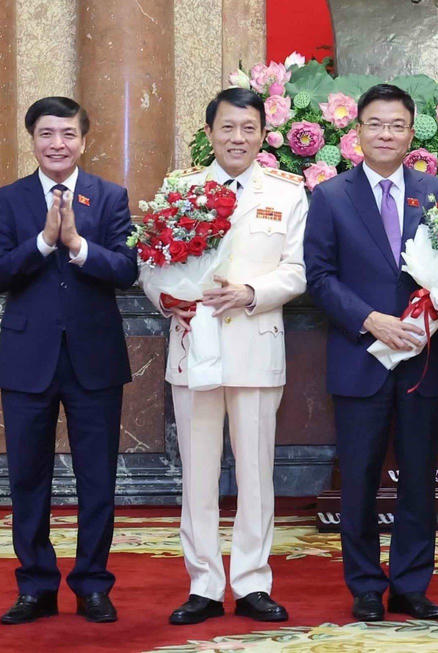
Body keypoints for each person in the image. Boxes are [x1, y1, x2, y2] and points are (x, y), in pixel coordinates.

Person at [304, 84, 438, 622]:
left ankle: (410, 584)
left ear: (411, 134)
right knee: (358, 479)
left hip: (422, 360)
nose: (386, 134)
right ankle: (364, 585)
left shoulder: (436, 192)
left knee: (419, 478)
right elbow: (319, 277)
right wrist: (369, 319)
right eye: (376, 124)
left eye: (397, 125)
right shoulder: (330, 197)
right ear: (357, 131)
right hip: (360, 356)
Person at [151, 87, 308, 626]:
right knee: (196, 473)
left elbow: (297, 270)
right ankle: (203, 585)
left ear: (263, 135)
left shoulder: (287, 193)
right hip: (193, 344)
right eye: (227, 127)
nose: (237, 138)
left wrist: (251, 293)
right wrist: (167, 299)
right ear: (209, 132)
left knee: (256, 474)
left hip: (255, 345)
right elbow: (151, 264)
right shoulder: (181, 190)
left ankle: (252, 582)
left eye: (248, 128)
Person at [0, 96, 138, 625]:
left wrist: (76, 244)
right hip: (28, 359)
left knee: (98, 479)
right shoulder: (7, 200)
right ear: (32, 139)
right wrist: (45, 243)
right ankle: (36, 587)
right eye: (47, 134)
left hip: (95, 358)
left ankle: (92, 585)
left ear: (84, 141)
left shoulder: (109, 196)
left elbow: (126, 270)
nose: (57, 144)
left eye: (68, 134)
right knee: (28, 478)